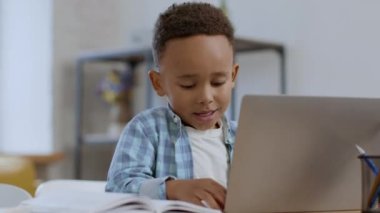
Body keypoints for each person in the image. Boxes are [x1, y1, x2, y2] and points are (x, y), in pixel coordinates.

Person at [106, 2, 239, 210]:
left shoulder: (244, 136)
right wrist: (171, 189)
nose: (206, 97)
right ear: (158, 83)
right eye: (188, 85)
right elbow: (118, 186)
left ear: (233, 76)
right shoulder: (147, 130)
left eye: (218, 82)